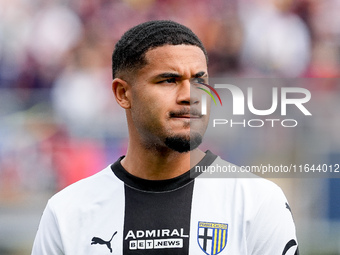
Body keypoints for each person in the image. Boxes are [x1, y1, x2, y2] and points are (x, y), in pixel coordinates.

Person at [32, 20, 299, 255]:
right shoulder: (67, 213)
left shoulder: (257, 202)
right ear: (123, 94)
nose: (190, 95)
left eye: (199, 80)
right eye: (169, 80)